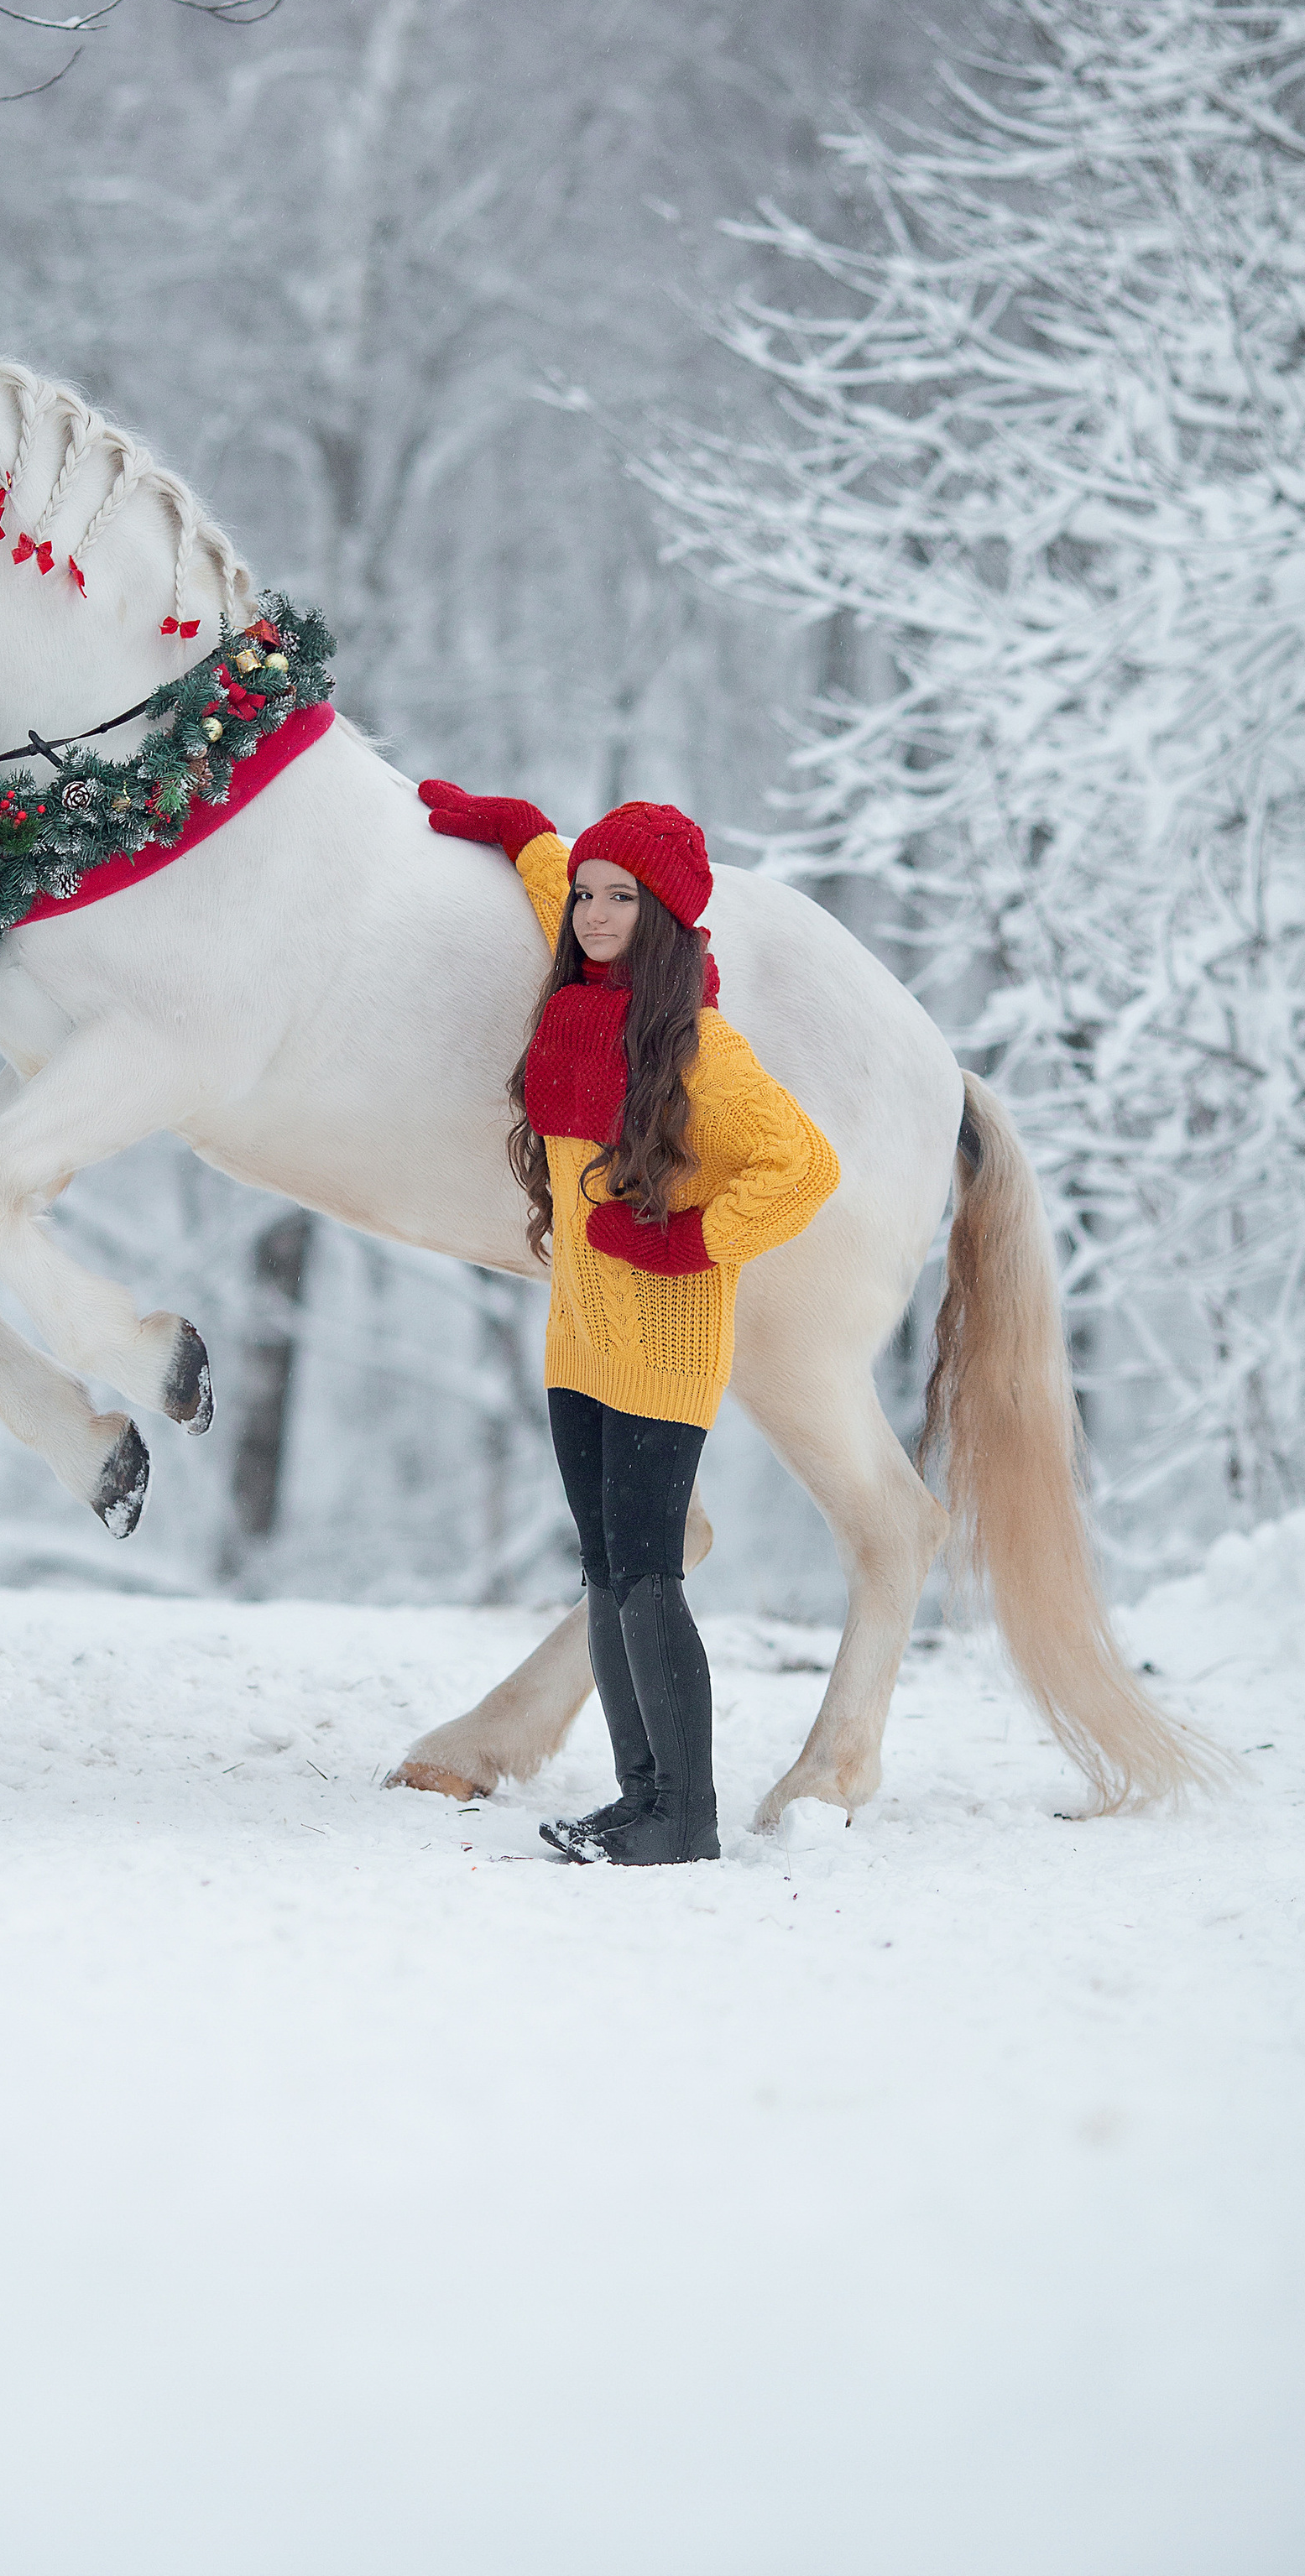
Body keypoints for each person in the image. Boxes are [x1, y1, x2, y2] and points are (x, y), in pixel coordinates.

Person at [420, 782, 842, 1864]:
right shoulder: (583, 996)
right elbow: (560, 875)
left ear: (665, 919)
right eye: (592, 899)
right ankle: (637, 1796)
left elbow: (803, 1168)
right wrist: (517, 829)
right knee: (605, 1574)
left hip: (662, 1345)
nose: (597, 915)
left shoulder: (700, 1047)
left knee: (649, 1573)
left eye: (623, 901)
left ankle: (685, 1817)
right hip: (577, 1341)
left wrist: (684, 1244)